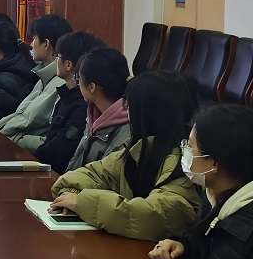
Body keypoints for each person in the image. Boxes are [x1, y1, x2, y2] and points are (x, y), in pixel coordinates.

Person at [50, 71, 200, 240]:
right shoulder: (140, 151)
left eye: (129, 106)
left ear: (145, 114)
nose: (126, 112)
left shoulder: (184, 163)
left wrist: (82, 202)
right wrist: (70, 195)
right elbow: (90, 174)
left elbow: (156, 217)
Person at [149, 105, 253, 259]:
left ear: (214, 164)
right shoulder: (214, 194)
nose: (185, 152)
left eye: (190, 147)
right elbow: (204, 245)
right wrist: (183, 246)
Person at [0, 14, 73, 150]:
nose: (31, 44)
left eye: (34, 39)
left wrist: (11, 140)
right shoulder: (42, 77)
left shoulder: (61, 84)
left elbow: (46, 138)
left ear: (46, 44)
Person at [34, 34, 107, 173]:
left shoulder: (83, 106)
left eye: (58, 56)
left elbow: (58, 153)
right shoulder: (66, 96)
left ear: (68, 64)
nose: (56, 60)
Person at [65, 47, 132, 170]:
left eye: (79, 79)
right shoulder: (93, 116)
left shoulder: (126, 133)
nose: (78, 84)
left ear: (92, 87)